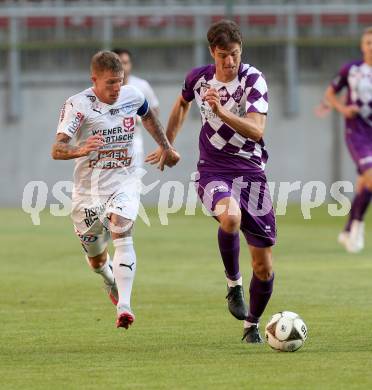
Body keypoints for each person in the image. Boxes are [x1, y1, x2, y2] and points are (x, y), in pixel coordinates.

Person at [146, 19, 276, 343]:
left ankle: (252, 325)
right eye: (222, 55)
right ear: (211, 53)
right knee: (230, 216)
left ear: (241, 49)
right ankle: (233, 285)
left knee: (264, 268)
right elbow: (181, 104)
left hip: (252, 173)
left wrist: (221, 112)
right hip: (213, 170)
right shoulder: (199, 78)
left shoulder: (253, 80)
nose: (229, 62)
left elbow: (257, 130)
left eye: (234, 53)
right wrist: (167, 144)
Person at [51, 50, 179, 329]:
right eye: (110, 82)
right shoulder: (77, 105)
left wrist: (166, 147)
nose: (116, 88)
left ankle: (124, 305)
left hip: (125, 180)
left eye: (119, 81)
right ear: (94, 80)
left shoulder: (132, 95)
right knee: (96, 261)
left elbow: (148, 116)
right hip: (88, 192)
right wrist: (79, 149)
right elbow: (57, 149)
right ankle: (109, 279)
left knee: (122, 227)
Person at [324, 27, 372, 253]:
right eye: (368, 43)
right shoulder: (351, 70)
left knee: (365, 185)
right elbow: (330, 94)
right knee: (370, 178)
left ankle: (347, 230)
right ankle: (357, 226)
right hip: (357, 133)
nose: (371, 47)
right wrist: (342, 108)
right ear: (362, 46)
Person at [112, 48, 160, 168]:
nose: (123, 67)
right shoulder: (104, 89)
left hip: (134, 145)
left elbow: (154, 110)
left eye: (126, 63)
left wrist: (140, 117)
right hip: (109, 147)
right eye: (119, 63)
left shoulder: (141, 86)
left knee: (133, 183)